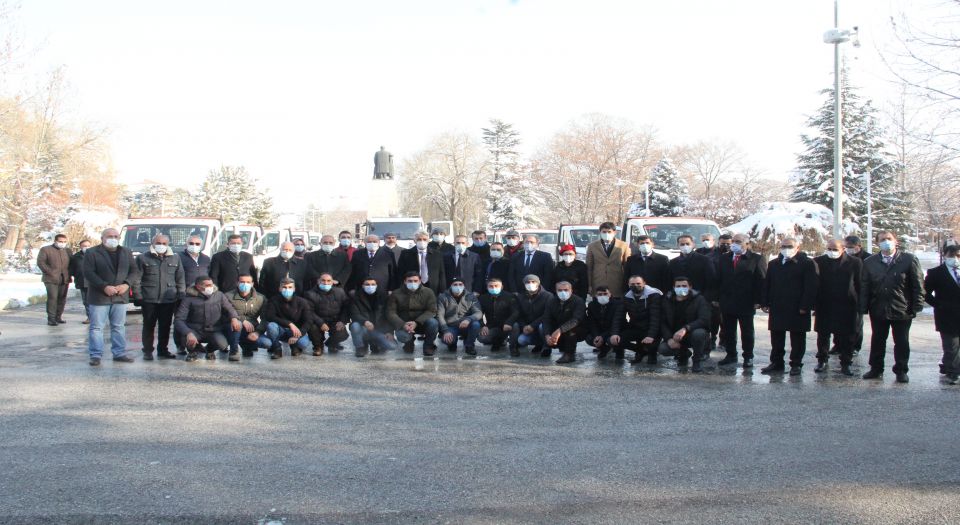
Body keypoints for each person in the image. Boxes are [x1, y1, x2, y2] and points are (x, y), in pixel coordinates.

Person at [860, 231, 924, 383]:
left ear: (896, 241)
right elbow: (865, 286)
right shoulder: (870, 262)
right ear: (877, 243)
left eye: (889, 239)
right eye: (882, 239)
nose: (886, 242)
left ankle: (901, 370)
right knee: (878, 339)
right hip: (878, 308)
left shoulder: (908, 260)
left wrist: (917, 304)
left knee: (901, 341)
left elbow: (918, 284)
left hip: (902, 308)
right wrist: (863, 306)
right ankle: (876, 369)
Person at [760, 237, 818, 376]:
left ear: (797, 248)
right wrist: (765, 302)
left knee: (797, 338)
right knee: (776, 336)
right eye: (784, 246)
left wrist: (805, 305)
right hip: (778, 305)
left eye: (790, 246)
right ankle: (776, 362)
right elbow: (768, 284)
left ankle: (796, 364)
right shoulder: (774, 264)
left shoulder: (807, 263)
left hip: (797, 307)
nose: (786, 249)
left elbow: (811, 286)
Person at [82, 228, 139, 366]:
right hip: (99, 296)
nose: (113, 238)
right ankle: (95, 355)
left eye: (115, 236)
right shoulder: (92, 252)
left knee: (118, 326)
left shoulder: (126, 252)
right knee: (97, 327)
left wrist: (126, 284)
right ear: (102, 238)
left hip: (120, 295)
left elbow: (134, 271)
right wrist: (104, 286)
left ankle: (119, 353)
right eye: (109, 236)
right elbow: (88, 272)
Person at [812, 239, 863, 376]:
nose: (831, 252)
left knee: (847, 336)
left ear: (843, 249)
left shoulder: (854, 262)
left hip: (847, 304)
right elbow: (814, 283)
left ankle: (846, 363)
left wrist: (860, 304)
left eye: (835, 249)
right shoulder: (818, 261)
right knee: (823, 335)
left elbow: (859, 283)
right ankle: (822, 360)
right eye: (829, 249)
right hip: (825, 303)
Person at [716, 234, 766, 368]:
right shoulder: (724, 258)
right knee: (728, 330)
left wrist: (759, 300)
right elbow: (718, 279)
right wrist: (717, 298)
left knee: (747, 331)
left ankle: (748, 356)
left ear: (747, 244)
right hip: (727, 300)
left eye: (738, 241)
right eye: (733, 241)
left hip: (746, 301)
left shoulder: (756, 259)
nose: (734, 244)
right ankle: (731, 354)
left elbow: (761, 281)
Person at [133, 234, 185, 361]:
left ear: (168, 244)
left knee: (165, 326)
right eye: (158, 243)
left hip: (168, 299)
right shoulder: (142, 258)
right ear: (152, 243)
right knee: (148, 326)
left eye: (164, 243)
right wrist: (138, 296)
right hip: (149, 299)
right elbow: (136, 279)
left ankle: (163, 350)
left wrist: (181, 293)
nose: (161, 245)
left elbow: (180, 278)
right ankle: (147, 351)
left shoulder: (175, 258)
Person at [174, 275, 241, 362]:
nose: (211, 287)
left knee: (222, 344)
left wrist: (234, 318)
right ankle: (193, 352)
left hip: (214, 330)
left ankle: (209, 350)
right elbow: (179, 320)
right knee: (186, 339)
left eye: (212, 284)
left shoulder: (219, 295)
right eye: (207, 285)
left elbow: (230, 309)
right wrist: (188, 332)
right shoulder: (188, 299)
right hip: (195, 330)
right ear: (198, 286)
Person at [669, 235, 717, 352]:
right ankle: (682, 351)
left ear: (693, 244)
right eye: (682, 244)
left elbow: (712, 281)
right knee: (681, 324)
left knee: (701, 327)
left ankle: (704, 350)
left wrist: (706, 299)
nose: (685, 246)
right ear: (678, 245)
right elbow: (669, 282)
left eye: (687, 244)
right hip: (680, 299)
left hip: (700, 299)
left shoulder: (704, 260)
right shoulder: (673, 262)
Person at [924, 244, 960, 385]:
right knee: (951, 346)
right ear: (944, 256)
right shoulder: (936, 273)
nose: (955, 258)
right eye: (952, 255)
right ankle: (953, 372)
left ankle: (947, 365)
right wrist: (938, 305)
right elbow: (925, 293)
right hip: (946, 315)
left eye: (958, 256)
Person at [658, 276, 711, 373]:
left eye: (684, 286)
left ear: (690, 287)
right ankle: (683, 353)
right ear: (674, 288)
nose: (681, 288)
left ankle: (697, 361)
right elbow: (662, 322)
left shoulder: (699, 299)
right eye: (678, 286)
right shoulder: (667, 300)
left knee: (698, 334)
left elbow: (704, 319)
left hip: (693, 333)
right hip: (675, 336)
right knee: (663, 349)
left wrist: (686, 328)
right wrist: (669, 339)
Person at [259, 278, 317, 359]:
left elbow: (309, 321)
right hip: (280, 330)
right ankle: (277, 348)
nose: (287, 289)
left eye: (290, 287)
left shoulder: (302, 302)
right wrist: (289, 324)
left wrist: (299, 334)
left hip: (296, 331)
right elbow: (270, 316)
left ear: (294, 289)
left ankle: (295, 347)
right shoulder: (274, 300)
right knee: (271, 325)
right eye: (284, 287)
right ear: (280, 288)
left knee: (303, 344)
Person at [387, 272, 439, 355]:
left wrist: (417, 322)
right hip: (404, 324)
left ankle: (429, 346)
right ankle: (409, 343)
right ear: (405, 281)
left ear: (420, 281)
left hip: (422, 323)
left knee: (433, 323)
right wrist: (402, 324)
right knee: (403, 337)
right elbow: (391, 312)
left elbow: (432, 310)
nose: (413, 283)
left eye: (415, 281)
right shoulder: (396, 293)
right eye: (410, 281)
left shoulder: (428, 292)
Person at [303, 272, 351, 356]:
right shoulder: (310, 294)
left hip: (335, 320)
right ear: (318, 281)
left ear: (332, 282)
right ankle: (318, 347)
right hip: (318, 321)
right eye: (323, 280)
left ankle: (331, 344)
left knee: (342, 334)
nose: (326, 283)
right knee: (312, 328)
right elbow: (309, 311)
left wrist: (342, 321)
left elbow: (346, 308)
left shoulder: (340, 292)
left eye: (329, 281)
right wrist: (321, 323)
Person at [349, 277, 399, 356]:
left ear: (376, 285)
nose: (370, 286)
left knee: (392, 346)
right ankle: (360, 347)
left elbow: (389, 315)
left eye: (373, 284)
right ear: (362, 286)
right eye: (367, 284)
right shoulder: (356, 297)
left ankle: (376, 343)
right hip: (363, 327)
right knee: (355, 326)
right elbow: (354, 314)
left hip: (379, 329)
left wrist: (389, 332)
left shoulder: (384, 297)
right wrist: (365, 322)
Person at [227, 274, 272, 359]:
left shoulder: (261, 298)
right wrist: (242, 320)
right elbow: (225, 313)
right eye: (242, 282)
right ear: (237, 283)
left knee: (266, 343)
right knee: (238, 324)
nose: (245, 284)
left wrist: (257, 332)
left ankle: (247, 347)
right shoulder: (228, 296)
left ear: (252, 284)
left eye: (248, 282)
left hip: (252, 329)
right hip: (233, 328)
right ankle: (233, 351)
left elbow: (265, 318)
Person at [621, 275, 662, 365]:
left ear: (644, 283)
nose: (635, 286)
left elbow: (655, 318)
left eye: (638, 283)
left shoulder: (654, 295)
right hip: (636, 327)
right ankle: (641, 351)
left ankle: (652, 354)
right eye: (632, 284)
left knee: (651, 357)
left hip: (652, 329)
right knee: (618, 340)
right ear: (628, 284)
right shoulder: (626, 296)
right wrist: (615, 334)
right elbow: (619, 316)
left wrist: (651, 335)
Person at [543, 281, 587, 364]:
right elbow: (546, 319)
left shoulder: (578, 301)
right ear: (556, 291)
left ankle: (569, 355)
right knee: (544, 327)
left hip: (578, 329)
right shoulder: (551, 301)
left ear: (571, 290)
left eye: (566, 290)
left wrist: (559, 330)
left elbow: (576, 320)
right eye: (560, 290)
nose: (563, 292)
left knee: (571, 330)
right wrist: (547, 335)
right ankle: (550, 347)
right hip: (559, 326)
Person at [437, 278, 483, 355]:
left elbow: (478, 313)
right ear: (451, 286)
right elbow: (440, 315)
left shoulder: (471, 296)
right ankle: (452, 343)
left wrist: (469, 319)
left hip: (466, 325)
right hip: (451, 326)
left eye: (460, 284)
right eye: (455, 284)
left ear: (464, 286)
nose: (458, 286)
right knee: (447, 341)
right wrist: (445, 331)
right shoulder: (442, 297)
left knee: (476, 324)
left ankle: (469, 345)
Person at [512, 274, 553, 357]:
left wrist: (533, 325)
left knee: (542, 326)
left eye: (533, 282)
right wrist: (524, 326)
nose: (530, 284)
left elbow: (547, 314)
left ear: (538, 283)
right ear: (524, 284)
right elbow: (519, 314)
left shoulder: (548, 296)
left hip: (543, 327)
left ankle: (546, 346)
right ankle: (539, 344)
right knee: (521, 340)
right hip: (528, 328)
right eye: (528, 282)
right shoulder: (520, 296)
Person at [586, 222, 630, 298]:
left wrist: (627, 284)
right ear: (600, 232)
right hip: (598, 283)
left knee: (616, 303)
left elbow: (627, 266)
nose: (606, 234)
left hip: (617, 283)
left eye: (609, 232)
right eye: (604, 232)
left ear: (614, 232)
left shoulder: (623, 245)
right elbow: (589, 267)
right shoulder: (592, 246)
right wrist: (589, 285)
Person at [695, 232, 724, 352]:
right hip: (700, 288)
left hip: (713, 289)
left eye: (708, 239)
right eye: (703, 240)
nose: (706, 242)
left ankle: (715, 338)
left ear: (713, 240)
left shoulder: (718, 253)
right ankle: (706, 341)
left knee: (716, 318)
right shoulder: (698, 252)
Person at [37, 233, 72, 326]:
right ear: (55, 241)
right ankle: (51, 319)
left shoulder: (67, 251)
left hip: (64, 278)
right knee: (53, 298)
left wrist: (70, 273)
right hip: (50, 279)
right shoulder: (46, 249)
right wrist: (50, 272)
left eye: (64, 242)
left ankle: (58, 317)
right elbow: (41, 262)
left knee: (62, 298)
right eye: (60, 241)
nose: (62, 243)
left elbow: (72, 263)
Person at [844, 235, 870, 355]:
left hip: (860, 293)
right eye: (846, 246)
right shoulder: (844, 257)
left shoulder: (868, 258)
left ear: (859, 246)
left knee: (856, 323)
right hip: (845, 293)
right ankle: (839, 345)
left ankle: (855, 346)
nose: (848, 249)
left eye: (851, 247)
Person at [477, 278, 518, 352]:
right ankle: (497, 341)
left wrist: (508, 322)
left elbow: (515, 312)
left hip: (506, 325)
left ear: (501, 287)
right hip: (492, 326)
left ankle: (513, 347)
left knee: (515, 325)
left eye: (496, 286)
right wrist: (483, 326)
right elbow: (479, 313)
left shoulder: (510, 297)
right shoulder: (483, 298)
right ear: (487, 287)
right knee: (482, 338)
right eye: (491, 286)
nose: (494, 288)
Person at [587, 286, 624, 360]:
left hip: (615, 330)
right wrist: (596, 335)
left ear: (610, 294)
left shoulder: (618, 304)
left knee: (613, 339)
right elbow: (592, 322)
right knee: (589, 338)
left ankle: (619, 350)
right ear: (596, 295)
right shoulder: (592, 305)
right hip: (600, 331)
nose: (602, 296)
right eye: (600, 294)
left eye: (605, 294)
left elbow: (617, 322)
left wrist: (602, 336)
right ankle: (603, 349)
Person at [69, 239, 92, 323]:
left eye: (88, 246)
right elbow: (72, 269)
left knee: (96, 301)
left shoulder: (96, 255)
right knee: (86, 301)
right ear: (80, 247)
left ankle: (99, 317)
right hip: (82, 281)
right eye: (84, 246)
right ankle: (90, 317)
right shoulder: (76, 257)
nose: (86, 247)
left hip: (94, 282)